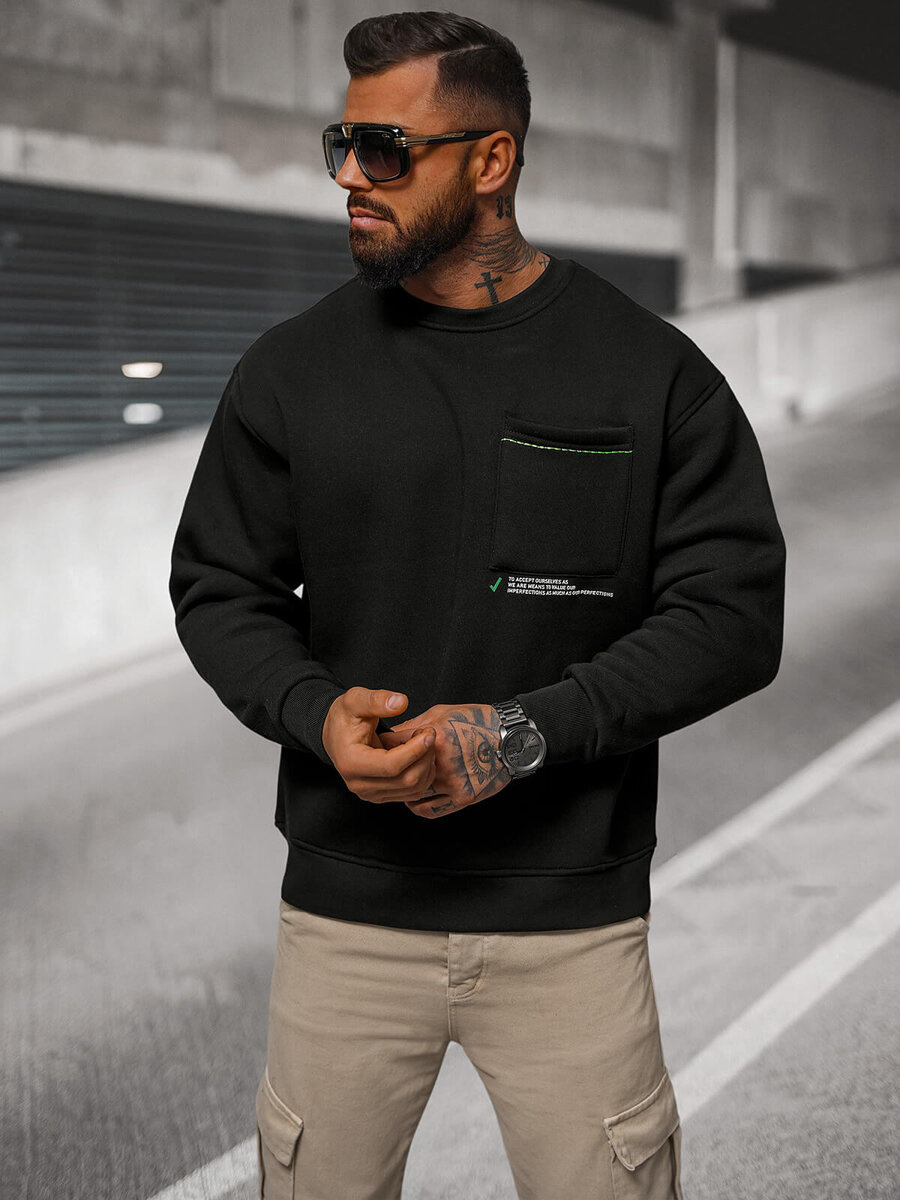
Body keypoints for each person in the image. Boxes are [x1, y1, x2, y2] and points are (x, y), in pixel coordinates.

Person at [168, 11, 786, 1199]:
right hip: (344, 923)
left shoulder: (651, 374)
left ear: (492, 160)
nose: (351, 176)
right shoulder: (291, 371)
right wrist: (314, 712)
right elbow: (220, 586)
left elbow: (733, 617)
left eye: (386, 150)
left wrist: (520, 736)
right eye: (343, 143)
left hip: (571, 929)